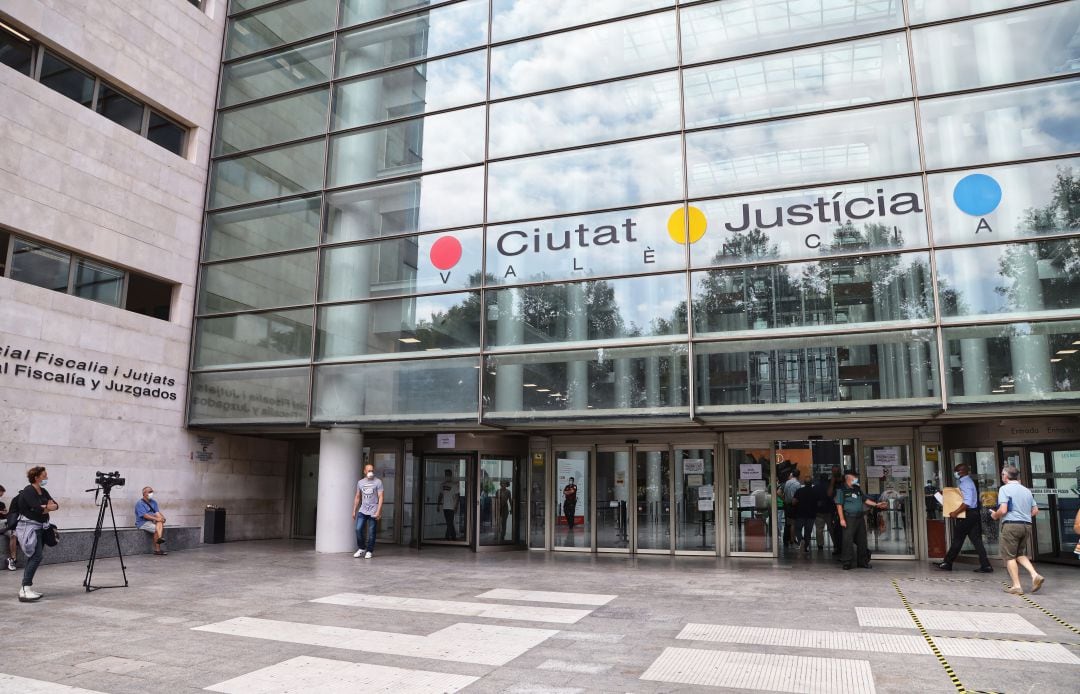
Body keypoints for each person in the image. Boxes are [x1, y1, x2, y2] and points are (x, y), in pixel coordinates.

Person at [990, 466, 1043, 594]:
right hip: (1026, 525)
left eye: (1002, 474)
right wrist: (1023, 516)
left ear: (1005, 476)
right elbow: (1035, 510)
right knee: (1019, 553)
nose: (1002, 477)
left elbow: (1003, 510)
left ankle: (1016, 585)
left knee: (1009, 556)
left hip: (1011, 525)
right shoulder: (1026, 490)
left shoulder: (1004, 489)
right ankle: (1034, 574)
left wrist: (994, 515)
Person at [936, 462, 993, 573]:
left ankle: (947, 563)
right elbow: (959, 496)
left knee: (958, 539)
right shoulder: (966, 482)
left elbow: (966, 502)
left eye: (956, 471)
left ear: (962, 471)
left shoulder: (965, 483)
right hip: (973, 514)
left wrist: (955, 513)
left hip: (967, 514)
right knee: (977, 541)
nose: (955, 473)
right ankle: (986, 565)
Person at [14, 466, 58, 602]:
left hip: (41, 527)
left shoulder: (43, 491)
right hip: (30, 527)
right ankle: (25, 588)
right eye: (44, 476)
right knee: (36, 556)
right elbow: (36, 509)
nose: (46, 478)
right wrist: (47, 507)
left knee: (35, 556)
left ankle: (26, 588)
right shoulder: (28, 491)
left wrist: (47, 507)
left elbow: (56, 505)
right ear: (36, 477)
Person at [835, 469, 887, 570]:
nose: (856, 478)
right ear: (848, 478)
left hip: (859, 517)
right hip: (849, 517)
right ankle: (847, 562)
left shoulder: (857, 488)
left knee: (862, 540)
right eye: (854, 477)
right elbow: (839, 505)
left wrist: (876, 504)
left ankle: (862, 562)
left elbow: (865, 500)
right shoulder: (841, 490)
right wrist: (842, 519)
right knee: (847, 540)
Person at [352, 463, 383, 559]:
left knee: (371, 532)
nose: (371, 472)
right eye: (369, 470)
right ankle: (361, 548)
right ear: (365, 471)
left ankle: (369, 550)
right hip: (363, 510)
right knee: (358, 529)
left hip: (373, 510)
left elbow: (381, 497)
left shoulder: (378, 482)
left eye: (372, 470)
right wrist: (354, 510)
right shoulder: (360, 482)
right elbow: (357, 497)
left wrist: (378, 511)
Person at [135, 486, 168, 556]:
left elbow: (157, 513)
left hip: (152, 522)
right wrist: (157, 519)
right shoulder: (140, 503)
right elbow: (145, 516)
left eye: (152, 492)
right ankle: (158, 550)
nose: (151, 493)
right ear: (144, 493)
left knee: (160, 522)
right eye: (150, 492)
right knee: (157, 528)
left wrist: (162, 518)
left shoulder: (154, 502)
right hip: (142, 523)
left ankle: (160, 538)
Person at [792, 476, 819, 553]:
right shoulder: (815, 492)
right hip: (811, 515)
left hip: (800, 514)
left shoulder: (799, 491)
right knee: (808, 531)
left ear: (804, 483)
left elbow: (793, 502)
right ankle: (806, 547)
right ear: (811, 483)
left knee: (798, 529)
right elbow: (819, 503)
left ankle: (801, 540)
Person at [436, 468, 459, 540]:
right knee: (450, 523)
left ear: (451, 475)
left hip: (451, 507)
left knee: (449, 523)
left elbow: (457, 496)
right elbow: (440, 495)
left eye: (448, 474)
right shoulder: (442, 485)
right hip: (445, 507)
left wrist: (456, 506)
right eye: (446, 474)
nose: (447, 476)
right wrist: (438, 505)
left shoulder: (454, 485)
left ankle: (447, 537)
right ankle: (454, 537)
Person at [782, 467, 802, 547]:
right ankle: (792, 540)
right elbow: (798, 496)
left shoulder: (787, 482)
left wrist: (785, 500)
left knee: (788, 523)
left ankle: (786, 540)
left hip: (787, 505)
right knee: (793, 523)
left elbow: (783, 493)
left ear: (792, 474)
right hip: (794, 506)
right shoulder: (797, 484)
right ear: (798, 475)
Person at [0, 485, 18, 570]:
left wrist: (6, 513)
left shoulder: (2, 504)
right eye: (1, 493)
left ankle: (13, 559)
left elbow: (6, 516)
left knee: (13, 534)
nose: (1, 495)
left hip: (4, 525)